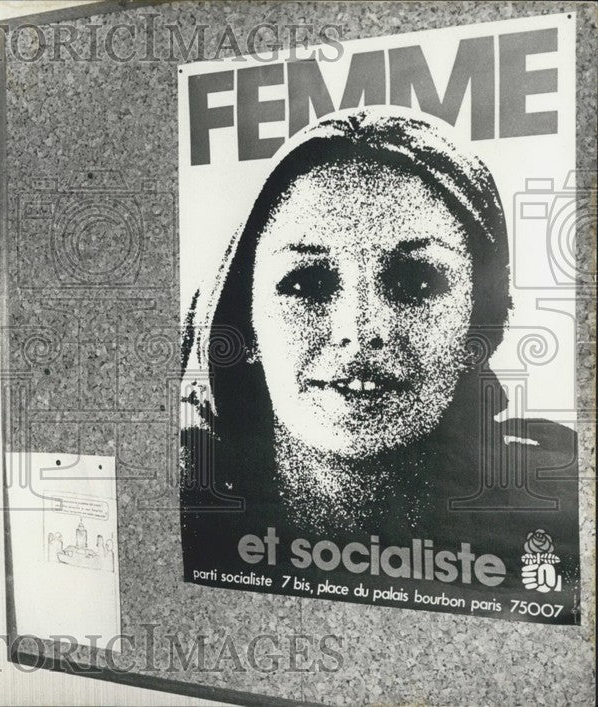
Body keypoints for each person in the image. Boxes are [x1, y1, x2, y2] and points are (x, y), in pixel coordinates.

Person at [180, 111, 578, 606]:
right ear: (245, 320)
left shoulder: (563, 503)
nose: (361, 330)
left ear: (481, 319)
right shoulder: (182, 508)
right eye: (306, 283)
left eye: (418, 281)